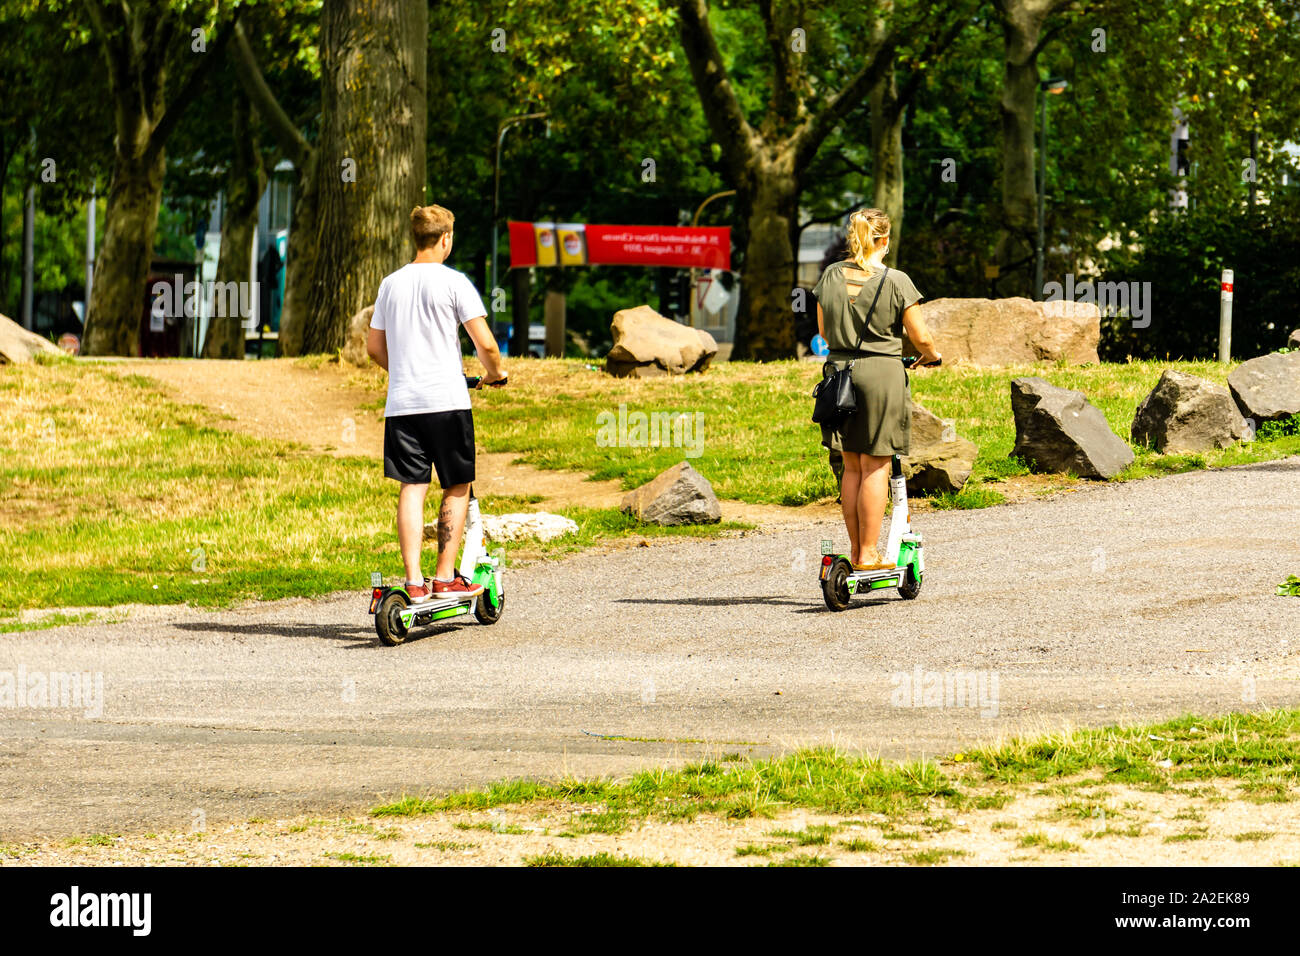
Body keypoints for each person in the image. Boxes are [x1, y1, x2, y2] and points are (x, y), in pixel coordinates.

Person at [367, 204, 507, 603]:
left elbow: (374, 347)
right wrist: (495, 374)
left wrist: (405, 370)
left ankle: (413, 581)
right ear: (446, 239)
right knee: (456, 484)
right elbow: (486, 344)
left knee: (412, 487)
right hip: (447, 402)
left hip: (403, 405)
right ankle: (445, 576)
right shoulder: (455, 282)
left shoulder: (390, 284)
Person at [814, 208, 941, 571]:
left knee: (852, 465)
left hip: (838, 375)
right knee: (876, 465)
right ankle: (869, 553)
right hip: (881, 375)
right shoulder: (897, 281)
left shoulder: (830, 276)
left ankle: (857, 552)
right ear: (884, 240)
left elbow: (824, 332)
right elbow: (921, 337)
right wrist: (932, 355)